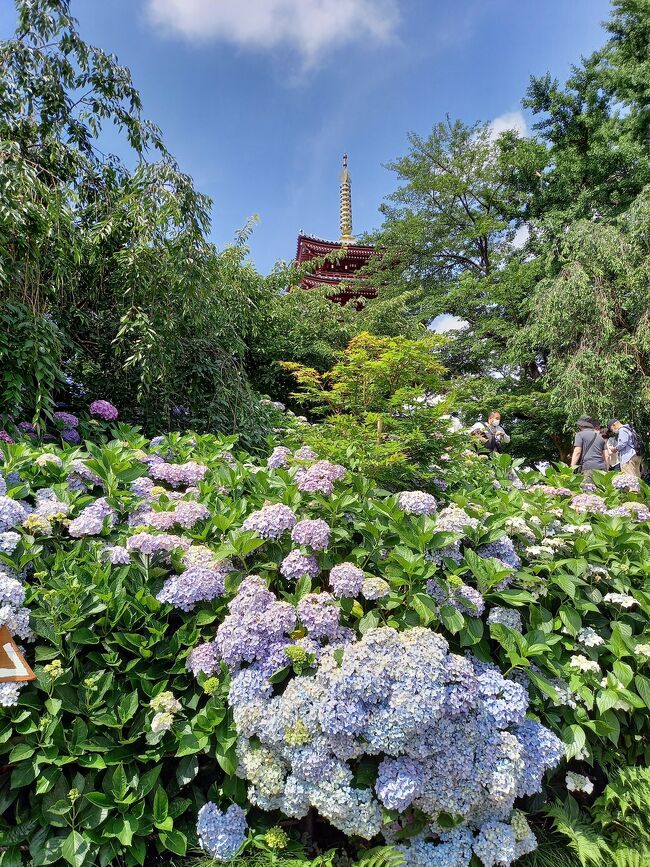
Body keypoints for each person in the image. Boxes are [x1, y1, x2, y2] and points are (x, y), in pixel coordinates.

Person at [570, 416, 608, 484]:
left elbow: (577, 452)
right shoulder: (600, 437)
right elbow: (606, 456)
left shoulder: (579, 435)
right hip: (601, 468)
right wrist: (607, 469)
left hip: (588, 468)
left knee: (589, 491)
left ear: (580, 425)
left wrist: (572, 467)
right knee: (600, 492)